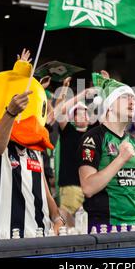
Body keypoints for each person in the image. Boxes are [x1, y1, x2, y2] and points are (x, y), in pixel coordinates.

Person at [78, 73, 135, 230]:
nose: (132, 101)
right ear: (110, 105)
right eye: (125, 97)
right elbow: (88, 188)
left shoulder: (133, 141)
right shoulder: (93, 137)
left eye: (133, 98)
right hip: (106, 226)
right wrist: (120, 159)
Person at [0, 87, 64, 238]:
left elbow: (46, 193)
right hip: (7, 238)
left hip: (41, 235)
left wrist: (57, 218)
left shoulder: (36, 151)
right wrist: (10, 113)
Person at [54, 82, 98, 215]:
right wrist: (82, 94)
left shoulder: (94, 132)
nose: (81, 115)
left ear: (89, 117)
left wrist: (104, 87)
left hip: (91, 189)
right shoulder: (68, 132)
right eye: (77, 113)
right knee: (67, 227)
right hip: (71, 187)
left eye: (84, 112)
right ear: (72, 118)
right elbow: (60, 111)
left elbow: (108, 114)